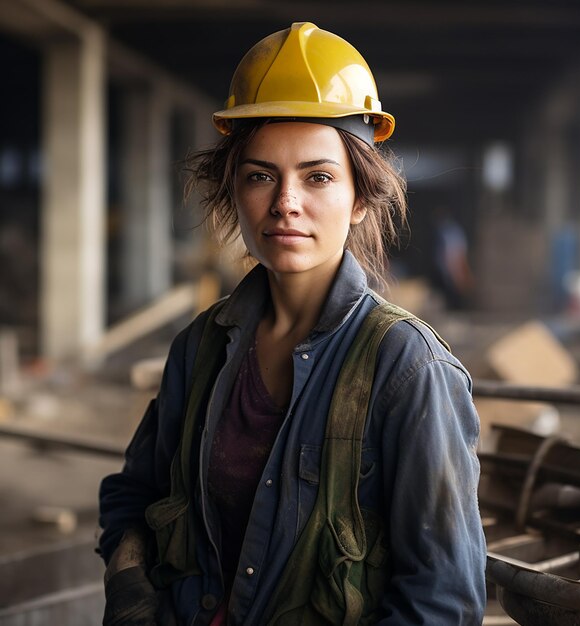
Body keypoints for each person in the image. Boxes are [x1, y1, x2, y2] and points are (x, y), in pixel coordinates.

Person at [98, 21, 486, 626]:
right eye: (260, 176)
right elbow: (133, 496)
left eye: (318, 176)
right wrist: (128, 590)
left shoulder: (408, 370)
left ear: (360, 198)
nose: (285, 202)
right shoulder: (200, 348)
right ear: (233, 192)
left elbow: (442, 599)